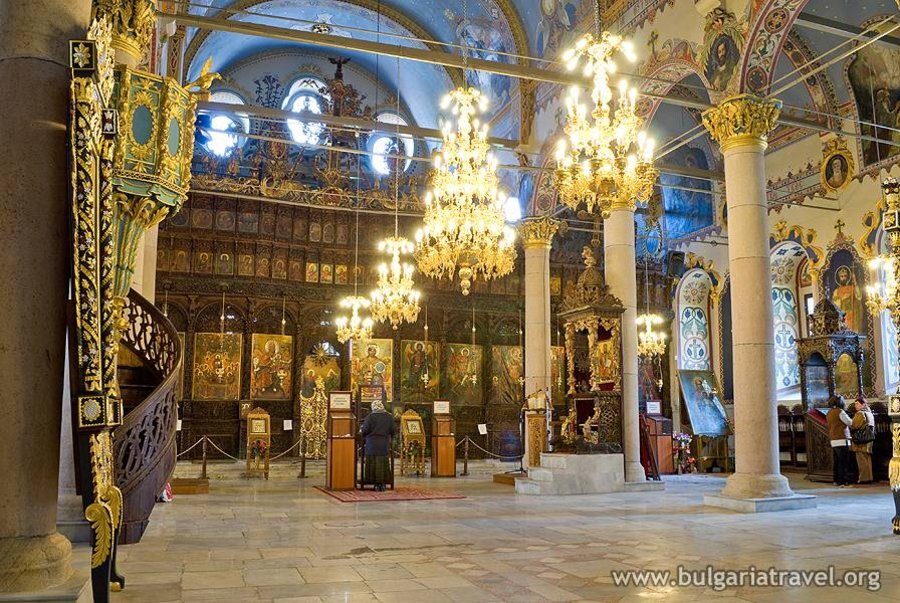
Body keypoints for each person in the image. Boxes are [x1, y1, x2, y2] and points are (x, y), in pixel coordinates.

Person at [360, 400, 396, 491]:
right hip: (383, 443)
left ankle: (374, 483)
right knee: (383, 463)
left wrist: (362, 434)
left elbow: (365, 430)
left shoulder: (370, 417)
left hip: (372, 444)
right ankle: (382, 483)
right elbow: (393, 430)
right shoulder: (388, 417)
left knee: (372, 463)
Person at [826, 396, 852, 487]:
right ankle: (843, 481)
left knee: (837, 462)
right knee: (843, 462)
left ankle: (836, 480)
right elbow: (849, 422)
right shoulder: (840, 412)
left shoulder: (829, 412)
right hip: (842, 439)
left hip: (833, 440)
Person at [850, 397, 876, 484]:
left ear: (863, 404)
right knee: (867, 459)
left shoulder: (860, 414)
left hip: (861, 440)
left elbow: (854, 425)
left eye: (857, 404)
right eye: (855, 404)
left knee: (861, 460)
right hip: (868, 439)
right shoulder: (869, 413)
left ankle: (863, 478)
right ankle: (869, 477)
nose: (855, 406)